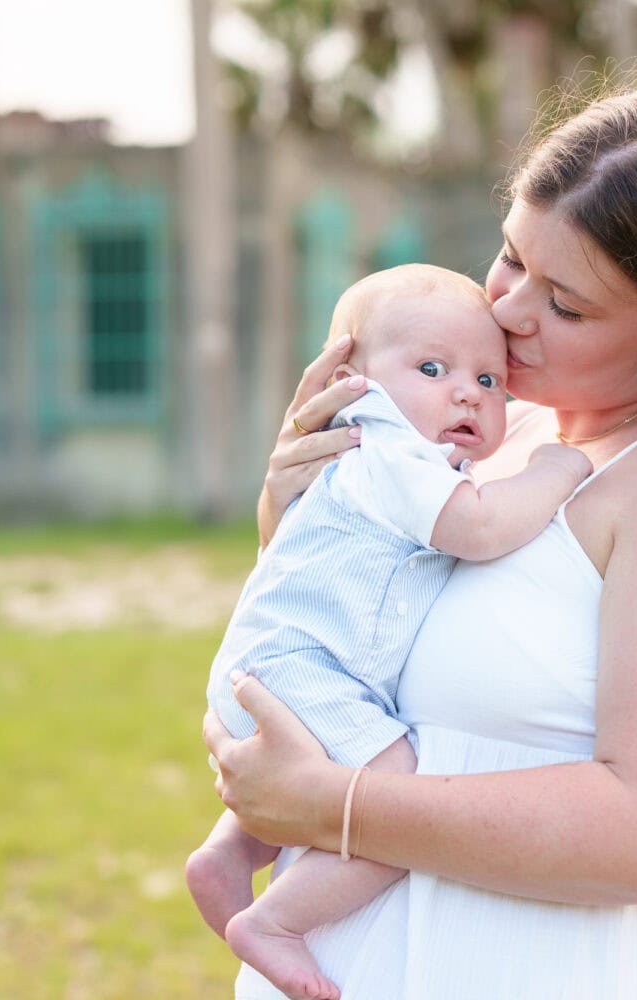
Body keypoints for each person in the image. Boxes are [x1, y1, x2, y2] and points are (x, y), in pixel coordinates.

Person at [204, 79, 637, 999]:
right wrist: (291, 518)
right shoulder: (501, 435)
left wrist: (338, 808)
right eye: (510, 257)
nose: (507, 312)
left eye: (566, 305)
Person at [188, 263, 592, 1000]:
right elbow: (476, 525)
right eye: (432, 369)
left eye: (489, 379)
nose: (467, 391)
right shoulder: (389, 448)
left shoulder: (398, 456)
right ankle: (274, 922)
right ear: (352, 380)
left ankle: (228, 853)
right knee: (397, 808)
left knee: (334, 785)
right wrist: (558, 472)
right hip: (299, 670)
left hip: (284, 666)